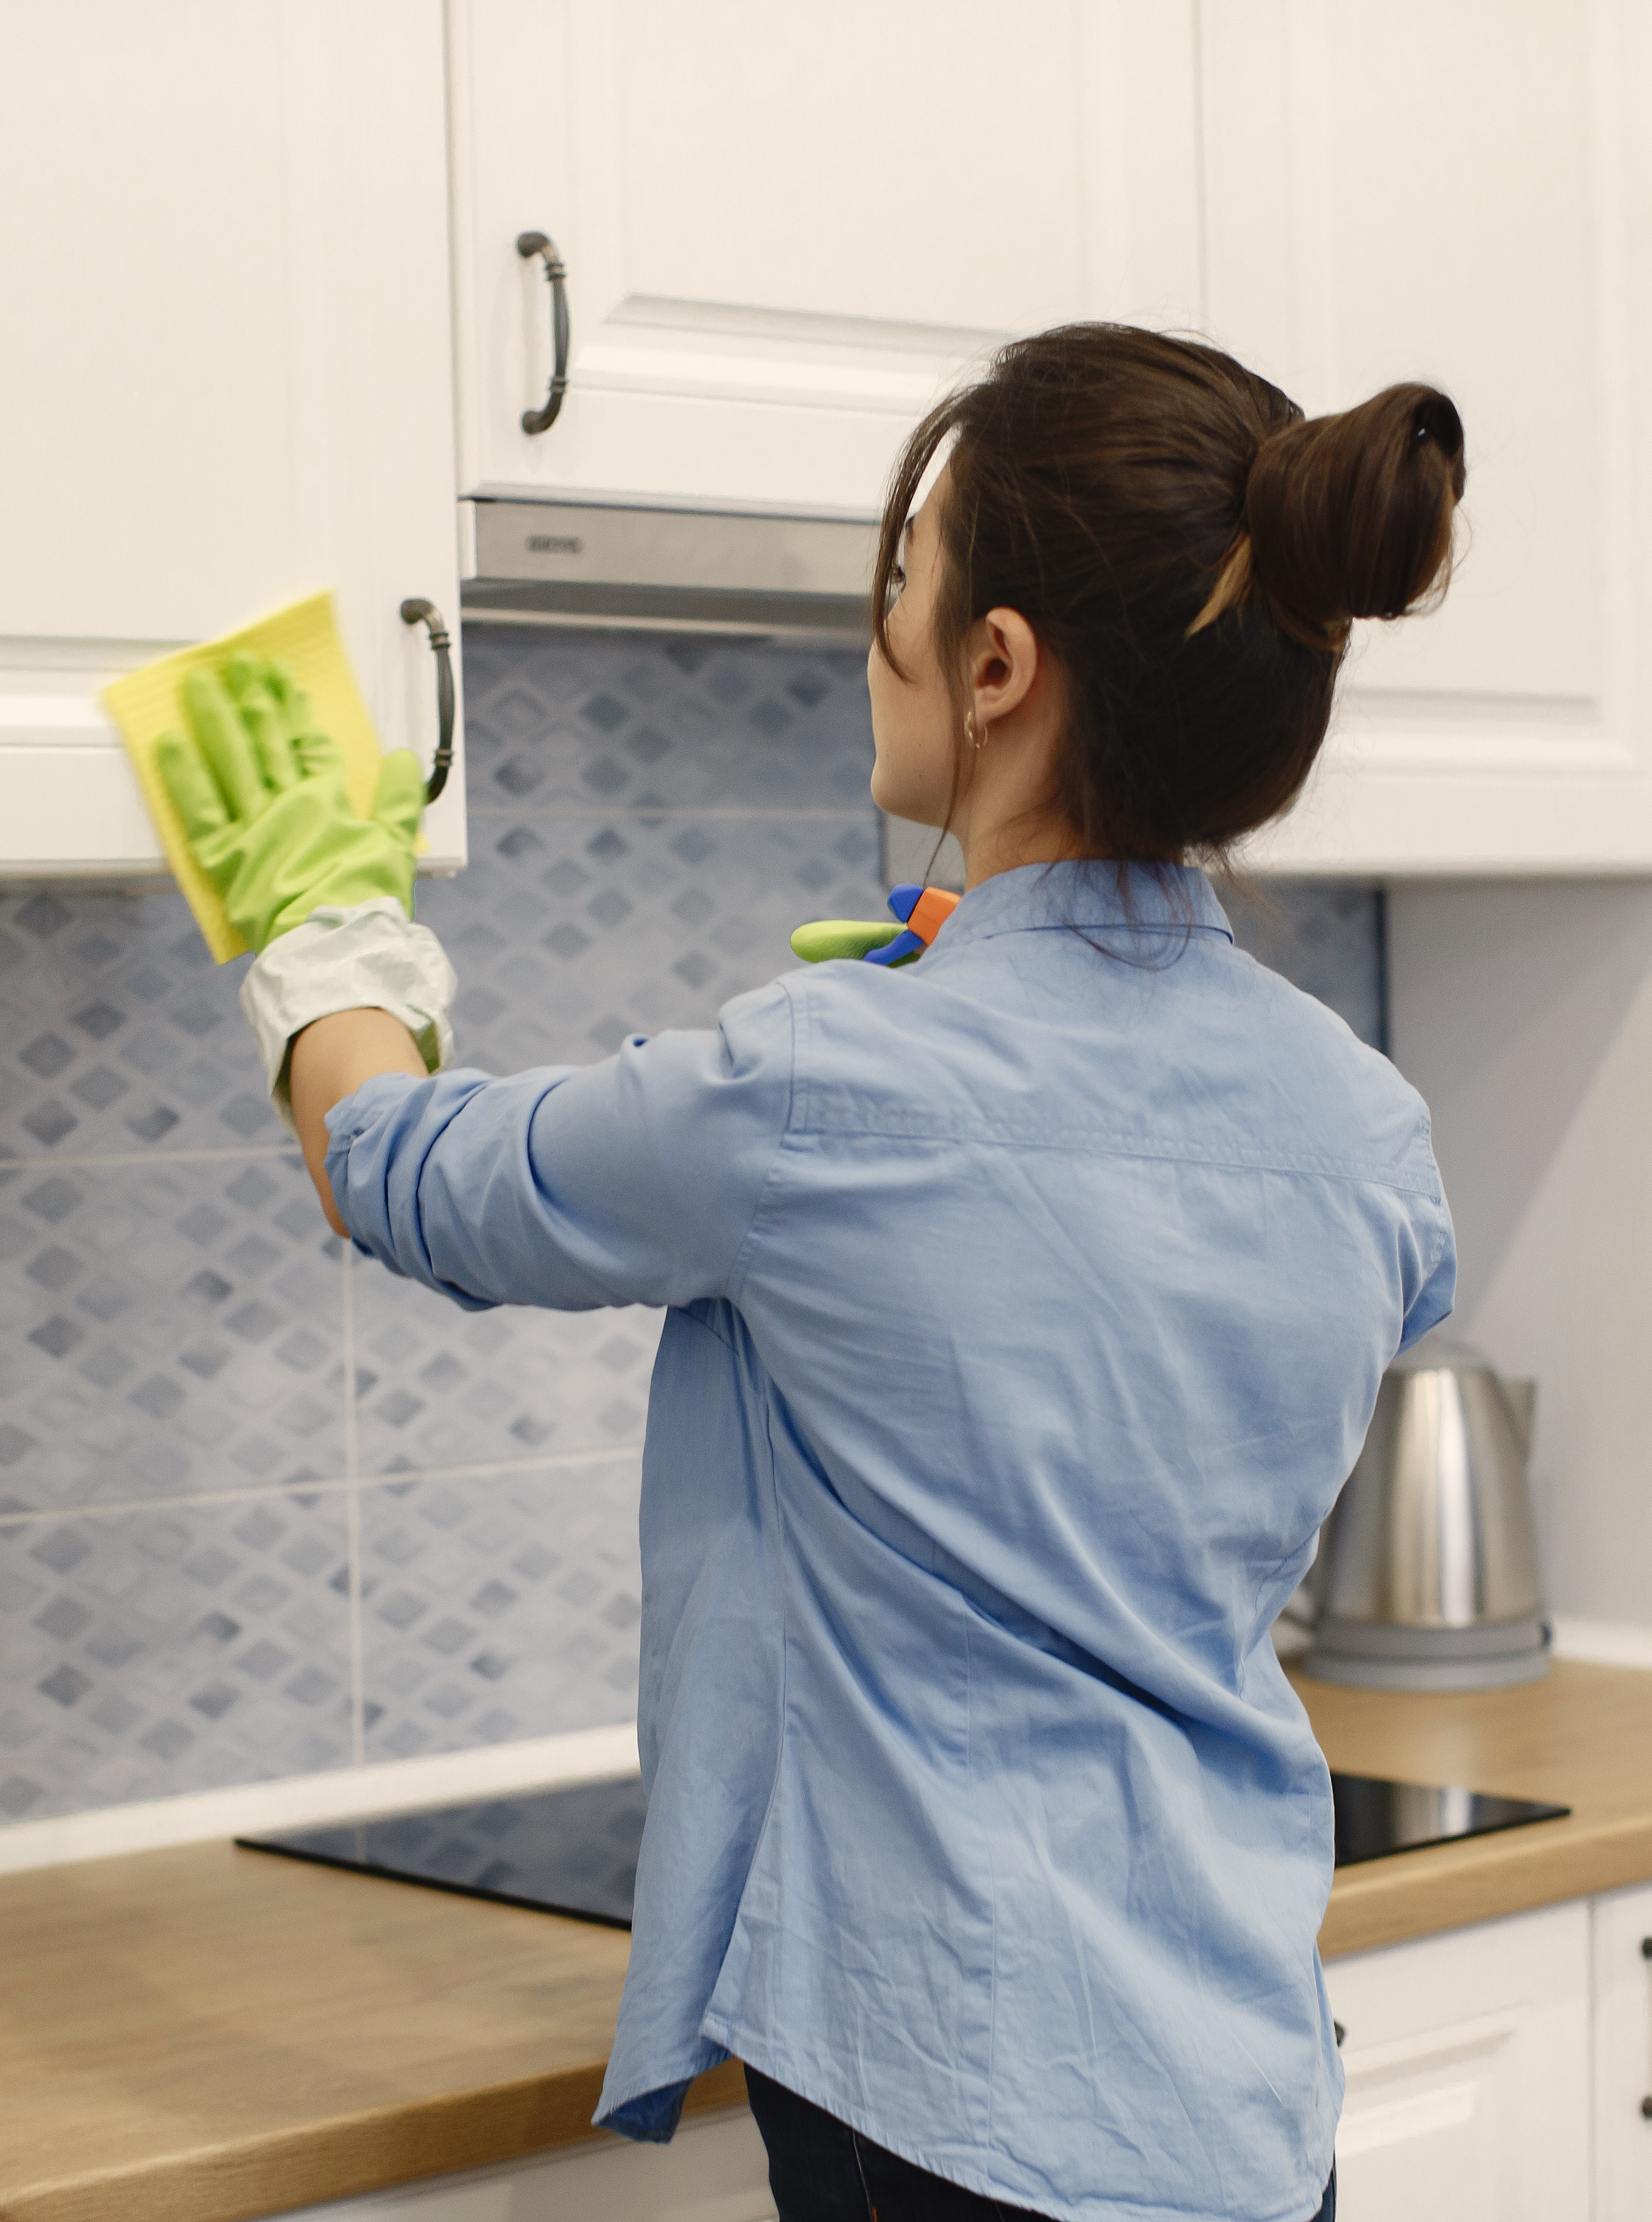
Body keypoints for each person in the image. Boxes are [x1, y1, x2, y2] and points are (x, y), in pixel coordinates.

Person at [158, 322, 1464, 2222]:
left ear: (999, 667)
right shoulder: (1368, 1128)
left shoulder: (819, 1093)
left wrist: (321, 927)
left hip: (944, 2094)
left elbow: (403, 1174)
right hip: (1245, 2093)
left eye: (902, 584)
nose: (879, 632)